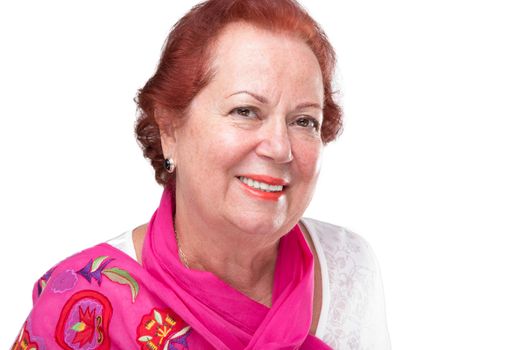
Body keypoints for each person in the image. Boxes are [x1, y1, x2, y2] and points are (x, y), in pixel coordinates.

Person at [11, 0, 390, 349]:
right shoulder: (82, 297)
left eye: (304, 120)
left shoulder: (349, 267)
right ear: (170, 130)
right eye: (245, 111)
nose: (279, 147)